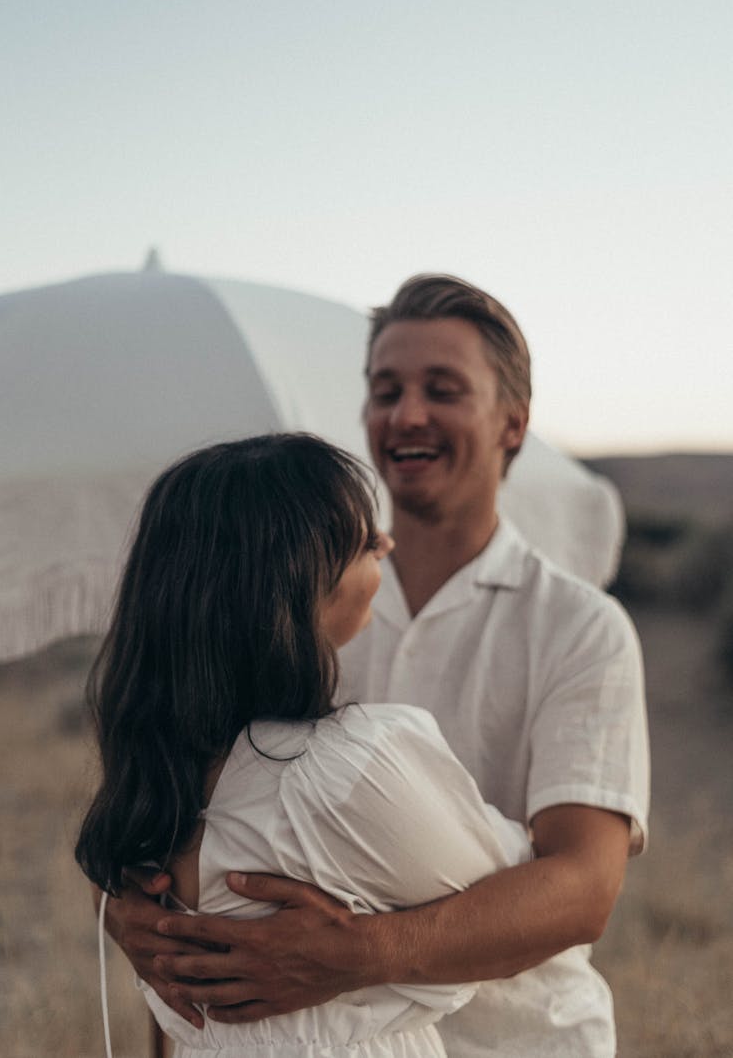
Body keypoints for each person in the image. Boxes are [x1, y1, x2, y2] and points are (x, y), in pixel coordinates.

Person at [103, 276, 650, 1057]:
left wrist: (358, 953)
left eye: (443, 389)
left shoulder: (579, 626)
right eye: (386, 389)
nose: (407, 414)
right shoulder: (286, 601)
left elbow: (584, 889)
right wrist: (133, 909)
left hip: (523, 1040)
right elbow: (174, 782)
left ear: (513, 422)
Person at [76, 432, 535, 1058]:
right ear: (306, 582)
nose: (389, 545)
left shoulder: (157, 770)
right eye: (367, 541)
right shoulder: (338, 767)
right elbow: (512, 887)